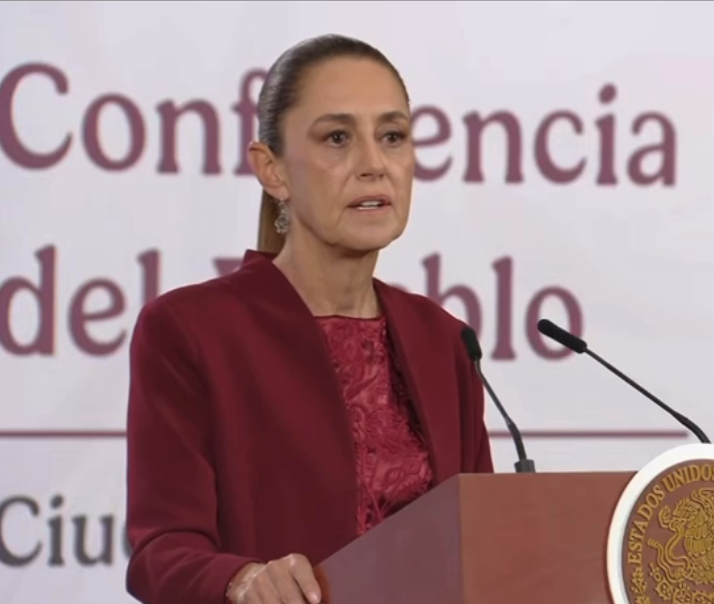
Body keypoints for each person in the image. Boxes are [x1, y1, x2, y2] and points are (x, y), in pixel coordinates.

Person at [124, 34, 494, 604]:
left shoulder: (443, 339)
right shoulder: (190, 330)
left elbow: (484, 547)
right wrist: (240, 580)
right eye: (338, 138)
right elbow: (161, 552)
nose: (374, 165)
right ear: (272, 170)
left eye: (392, 136)